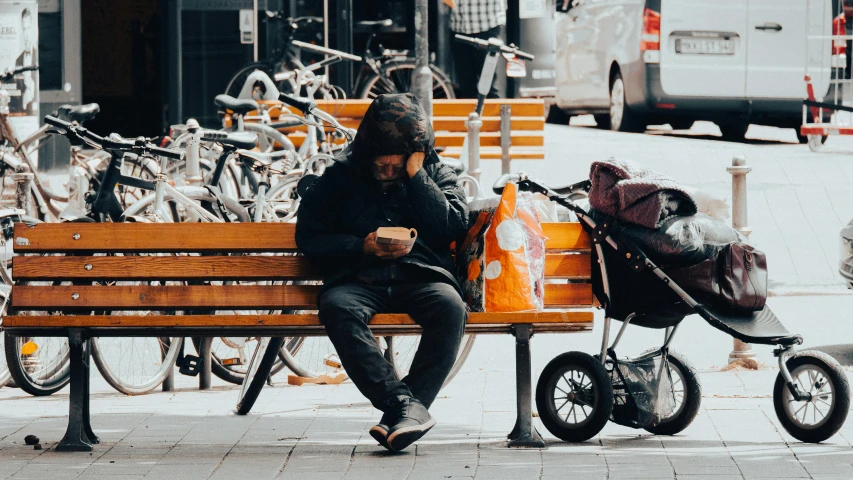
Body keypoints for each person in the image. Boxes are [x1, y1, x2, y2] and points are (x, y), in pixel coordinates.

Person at [295, 93, 469, 452]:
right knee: (337, 308)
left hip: (421, 275)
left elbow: (451, 224)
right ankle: (404, 407)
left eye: (397, 165)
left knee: (451, 307)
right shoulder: (341, 177)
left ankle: (403, 413)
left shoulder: (434, 172)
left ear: (414, 154)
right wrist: (362, 246)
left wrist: (417, 177)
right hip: (358, 278)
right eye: (381, 165)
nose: (387, 172)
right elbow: (309, 238)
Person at [449, 0, 506, 99]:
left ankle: (492, 113)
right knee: (465, 84)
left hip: (487, 22)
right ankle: (470, 113)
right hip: (459, 25)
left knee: (489, 85)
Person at [13, 7, 37, 115]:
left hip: (37, 112)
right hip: (23, 114)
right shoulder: (18, 61)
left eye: (28, 28)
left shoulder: (38, 57)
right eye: (24, 29)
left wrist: (33, 88)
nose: (26, 34)